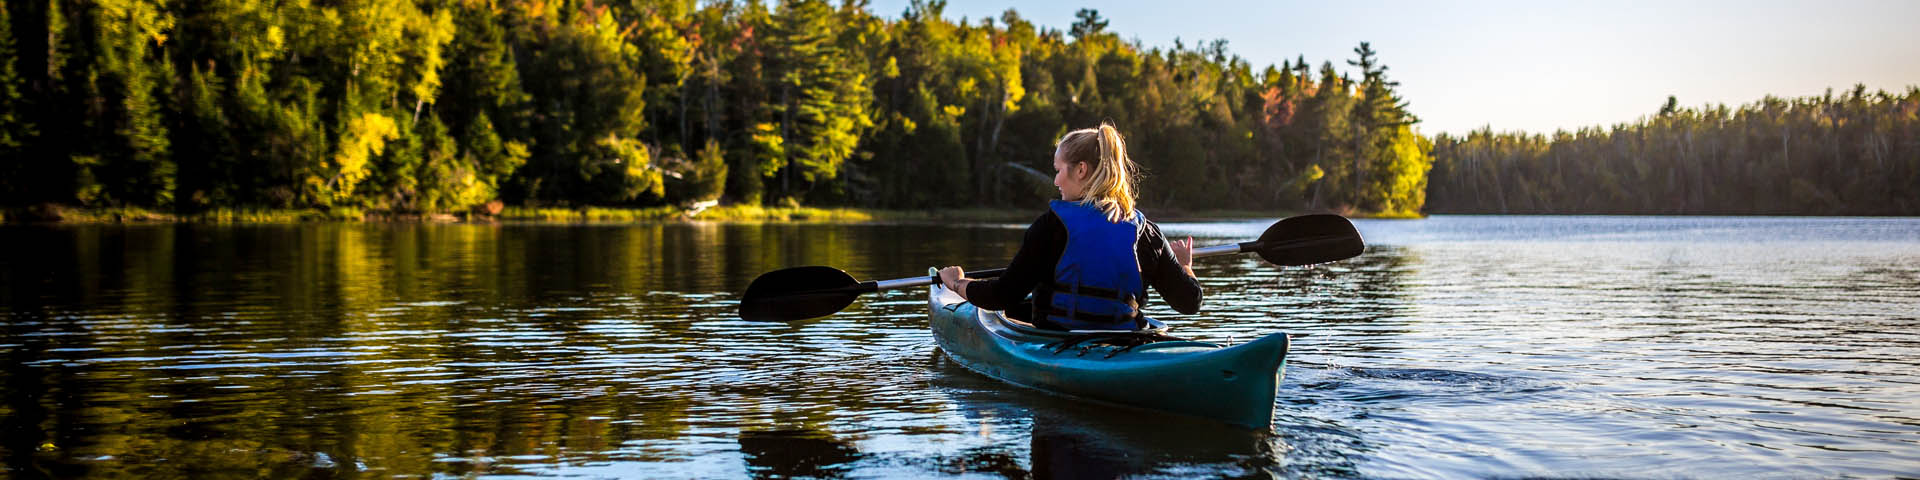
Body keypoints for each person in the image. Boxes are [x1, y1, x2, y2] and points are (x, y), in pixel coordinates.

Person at [938, 122, 1201, 331]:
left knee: (1020, 308)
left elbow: (1001, 296)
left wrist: (958, 283)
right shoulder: (1147, 233)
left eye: (1058, 170)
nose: (1055, 181)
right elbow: (1190, 302)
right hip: (1123, 341)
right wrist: (1184, 266)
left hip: (1059, 339)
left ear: (1081, 170)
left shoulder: (1051, 227)